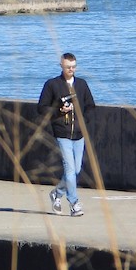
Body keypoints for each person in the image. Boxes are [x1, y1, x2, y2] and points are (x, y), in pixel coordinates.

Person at [38, 52, 96, 217]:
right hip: (62, 133)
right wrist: (59, 111)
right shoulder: (52, 85)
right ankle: (74, 203)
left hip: (79, 134)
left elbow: (91, 106)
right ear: (62, 67)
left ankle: (57, 194)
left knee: (75, 170)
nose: (71, 70)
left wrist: (84, 121)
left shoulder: (82, 84)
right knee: (70, 170)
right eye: (68, 67)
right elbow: (41, 108)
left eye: (73, 67)